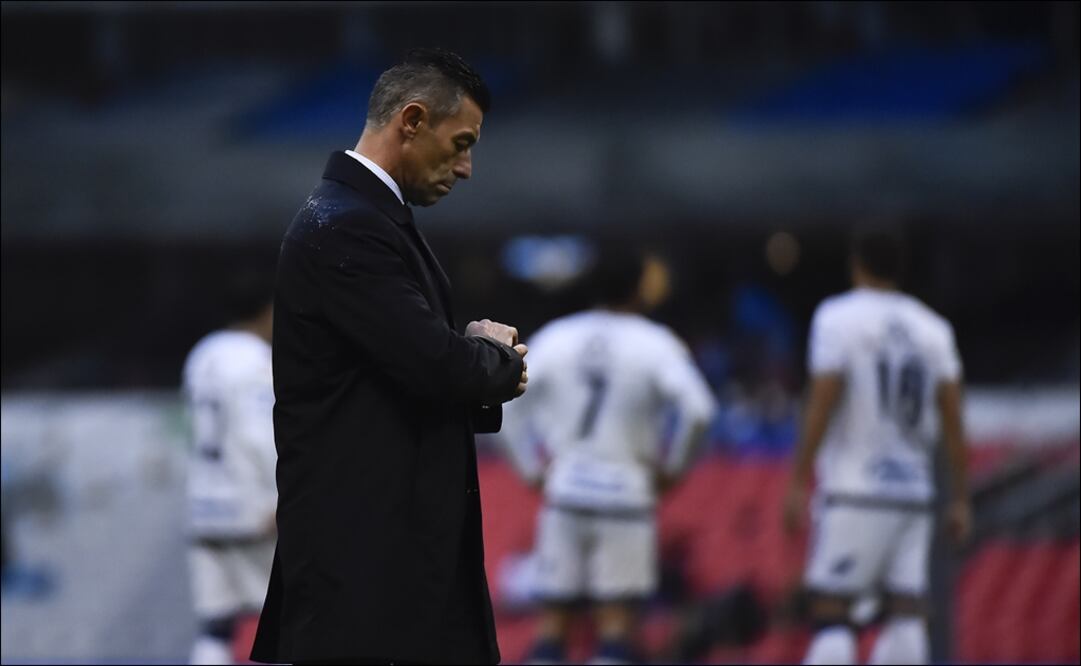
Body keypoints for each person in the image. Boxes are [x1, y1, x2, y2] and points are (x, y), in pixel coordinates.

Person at [251, 48, 528, 665]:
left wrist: (466, 358)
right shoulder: (347, 226)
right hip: (366, 571)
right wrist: (491, 357)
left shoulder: (364, 219)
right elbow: (436, 365)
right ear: (411, 121)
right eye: (460, 143)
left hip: (380, 564)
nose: (467, 169)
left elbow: (406, 372)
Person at [499, 246, 716, 664]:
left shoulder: (557, 336)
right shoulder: (656, 343)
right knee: (616, 629)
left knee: (552, 627)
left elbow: (507, 405)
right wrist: (673, 470)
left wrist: (530, 468)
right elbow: (700, 410)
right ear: (640, 289)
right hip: (626, 496)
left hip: (565, 493)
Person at [782, 229, 971, 665]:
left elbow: (823, 399)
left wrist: (797, 480)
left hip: (855, 490)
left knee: (833, 612)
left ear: (856, 263)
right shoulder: (933, 329)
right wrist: (959, 496)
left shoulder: (837, 318)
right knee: (905, 612)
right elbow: (954, 419)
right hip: (912, 493)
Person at [183, 268, 277, 665]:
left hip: (204, 505)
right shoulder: (256, 361)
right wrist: (283, 494)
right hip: (251, 507)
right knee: (287, 623)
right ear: (266, 311)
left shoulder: (202, 354)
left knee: (215, 627)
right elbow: (261, 436)